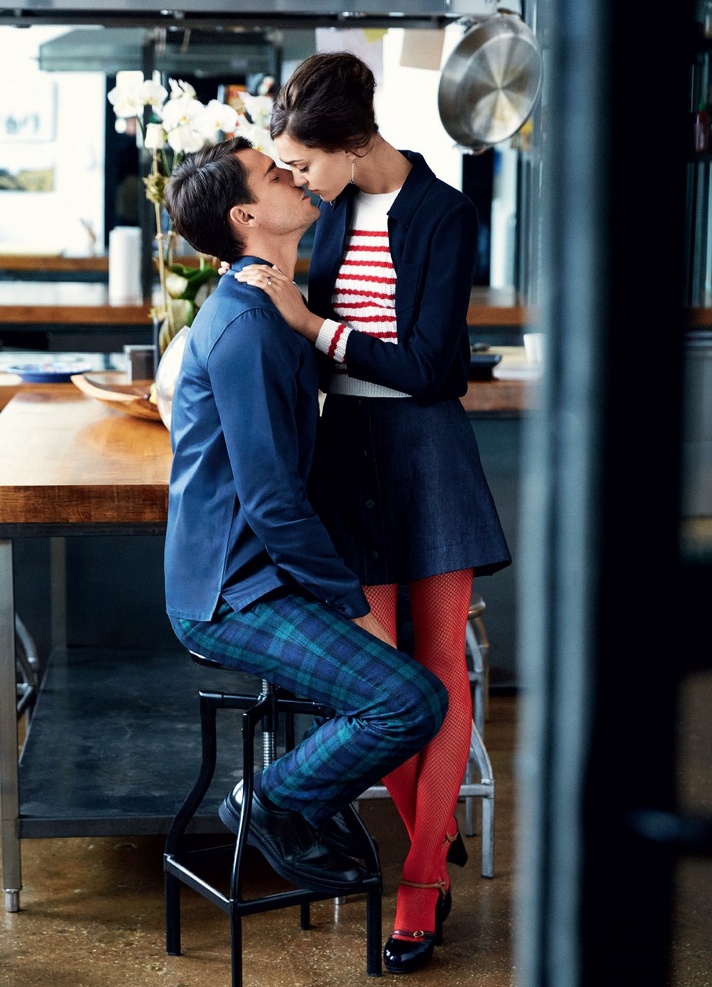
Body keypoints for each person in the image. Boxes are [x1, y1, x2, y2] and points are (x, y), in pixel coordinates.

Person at [229, 52, 512, 974]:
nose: (298, 181)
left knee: (440, 668)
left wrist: (316, 326)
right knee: (376, 678)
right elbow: (326, 355)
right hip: (349, 451)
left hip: (427, 454)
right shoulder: (337, 209)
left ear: (351, 144)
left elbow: (429, 368)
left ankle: (422, 879)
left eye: (304, 163)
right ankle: (433, 831)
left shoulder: (445, 212)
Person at [161, 135, 449, 901]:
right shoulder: (248, 326)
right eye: (272, 172)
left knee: (410, 685)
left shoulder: (274, 305)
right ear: (246, 216)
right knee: (410, 698)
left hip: (261, 575)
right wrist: (353, 608)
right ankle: (271, 802)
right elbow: (272, 502)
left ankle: (298, 807)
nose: (293, 174)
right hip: (229, 595)